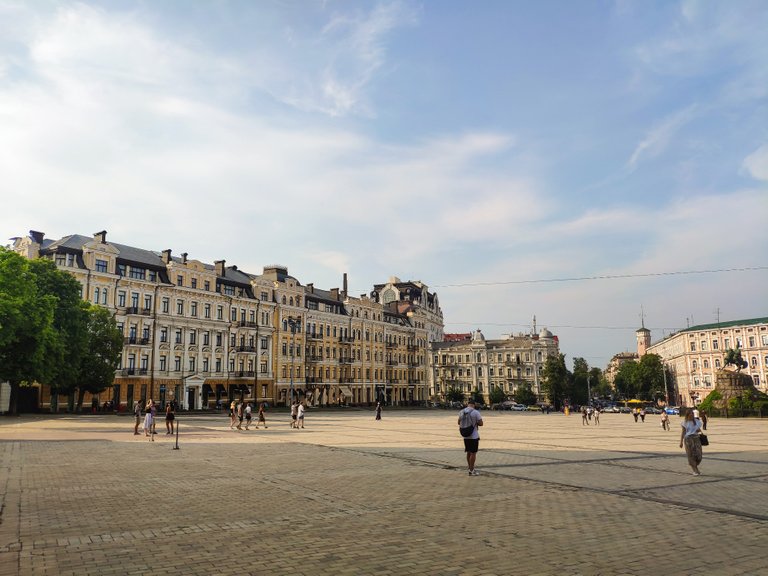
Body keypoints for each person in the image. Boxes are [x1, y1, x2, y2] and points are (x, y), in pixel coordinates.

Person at [458, 399, 483, 476]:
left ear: (468, 404)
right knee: (473, 453)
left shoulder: (461, 412)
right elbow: (481, 423)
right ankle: (472, 470)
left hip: (465, 435)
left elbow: (458, 422)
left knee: (468, 452)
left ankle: (469, 468)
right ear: (474, 405)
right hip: (473, 436)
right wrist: (475, 422)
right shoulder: (476, 412)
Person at [679, 409, 703, 476]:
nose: (692, 415)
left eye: (692, 413)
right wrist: (681, 442)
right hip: (688, 439)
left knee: (699, 455)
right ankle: (695, 470)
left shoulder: (697, 421)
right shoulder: (684, 423)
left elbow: (699, 430)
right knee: (691, 455)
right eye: (690, 413)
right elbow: (683, 432)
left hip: (696, 439)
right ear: (687, 415)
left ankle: (695, 466)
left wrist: (699, 431)